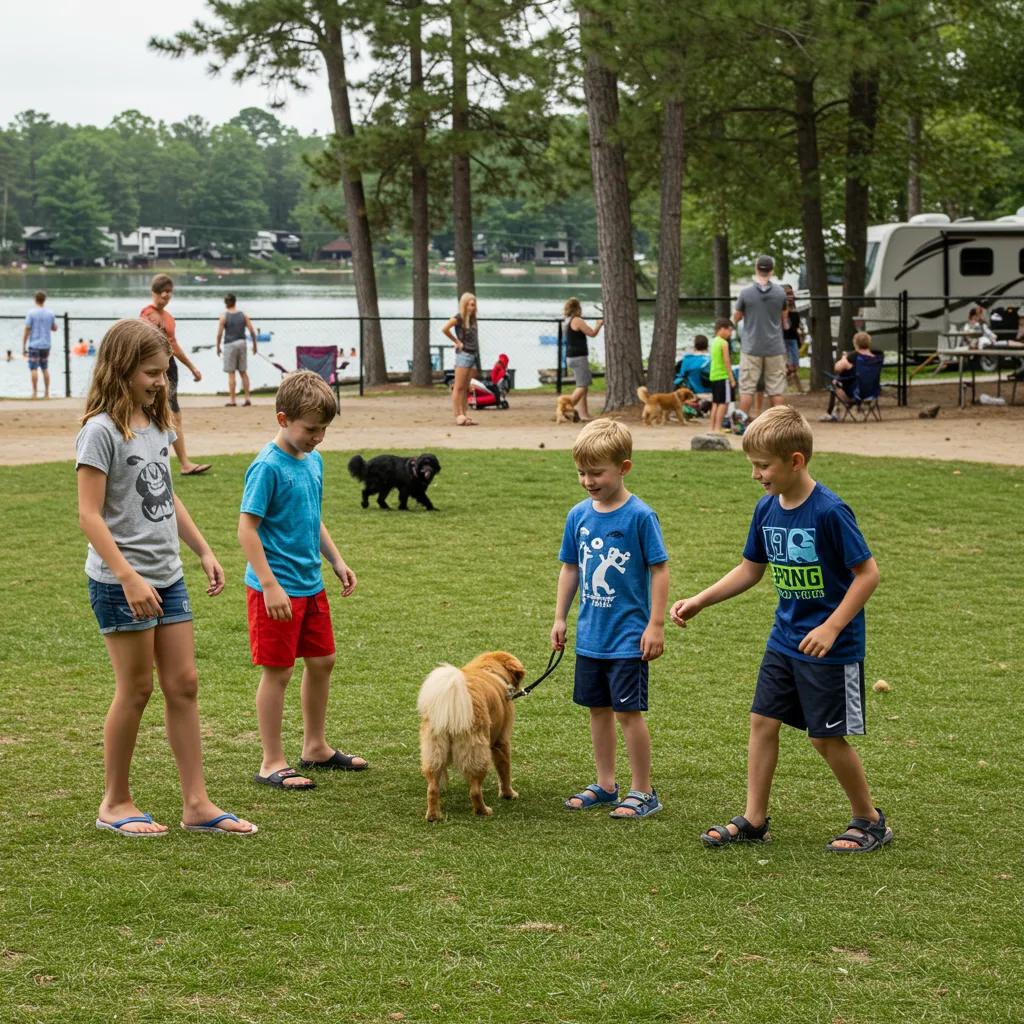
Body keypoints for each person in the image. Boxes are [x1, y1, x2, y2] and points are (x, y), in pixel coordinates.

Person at [670, 406, 890, 852]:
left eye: (763, 466)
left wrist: (831, 627)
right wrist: (700, 600)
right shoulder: (767, 508)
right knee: (762, 721)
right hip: (785, 640)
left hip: (832, 648)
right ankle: (754, 819)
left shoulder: (830, 511)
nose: (756, 475)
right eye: (752, 465)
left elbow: (868, 574)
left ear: (796, 461)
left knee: (824, 737)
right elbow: (751, 569)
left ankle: (870, 820)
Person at [76, 318, 256, 836]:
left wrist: (202, 550)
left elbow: (164, 495)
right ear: (122, 368)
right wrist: (128, 577)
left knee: (184, 684)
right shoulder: (100, 431)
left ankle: (197, 804)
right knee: (136, 689)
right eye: (152, 373)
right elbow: (89, 515)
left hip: (168, 577)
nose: (161, 382)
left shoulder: (157, 425)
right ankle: (115, 802)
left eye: (164, 372)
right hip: (122, 583)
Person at [238, 370, 367, 791]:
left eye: (324, 429)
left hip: (310, 583)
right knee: (278, 672)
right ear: (283, 419)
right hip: (276, 589)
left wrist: (337, 560)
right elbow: (247, 529)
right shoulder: (267, 467)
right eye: (311, 429)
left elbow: (313, 517)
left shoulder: (313, 461)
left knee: (323, 661)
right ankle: (271, 761)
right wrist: (269, 584)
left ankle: (315, 746)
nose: (318, 438)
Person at [552, 419, 669, 819]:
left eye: (596, 472)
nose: (588, 481)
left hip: (627, 638)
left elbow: (659, 569)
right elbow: (570, 568)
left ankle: (643, 791)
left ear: (624, 468)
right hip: (591, 636)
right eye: (581, 472)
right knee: (597, 709)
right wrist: (560, 618)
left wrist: (655, 624)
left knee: (627, 713)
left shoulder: (641, 516)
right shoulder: (578, 516)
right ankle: (605, 784)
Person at [141, 275, 211, 476]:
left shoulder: (169, 318)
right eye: (163, 290)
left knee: (174, 416)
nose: (166, 295)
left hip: (169, 367)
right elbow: (144, 341)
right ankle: (159, 461)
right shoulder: (146, 314)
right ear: (155, 292)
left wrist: (192, 367)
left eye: (169, 291)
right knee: (159, 414)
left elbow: (174, 346)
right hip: (156, 366)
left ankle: (183, 463)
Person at [733, 255, 789, 418]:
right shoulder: (780, 293)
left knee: (747, 389)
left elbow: (737, 316)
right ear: (771, 271)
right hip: (775, 347)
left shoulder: (746, 293)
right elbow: (784, 318)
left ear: (756, 268)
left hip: (751, 347)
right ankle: (779, 424)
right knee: (776, 389)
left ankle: (741, 422)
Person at [442, 292, 482, 426]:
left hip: (473, 355)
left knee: (466, 388)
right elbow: (445, 329)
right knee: (458, 387)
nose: (472, 307)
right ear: (464, 305)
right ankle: (457, 415)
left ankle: (464, 414)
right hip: (463, 355)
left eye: (474, 305)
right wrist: (457, 341)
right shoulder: (459, 318)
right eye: (470, 305)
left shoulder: (472, 319)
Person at [562, 297, 603, 421]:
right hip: (579, 357)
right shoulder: (577, 320)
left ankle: (584, 414)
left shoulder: (567, 321)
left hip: (571, 356)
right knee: (583, 385)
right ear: (577, 308)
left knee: (582, 385)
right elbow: (592, 333)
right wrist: (599, 325)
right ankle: (565, 409)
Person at [820, 330, 872, 422]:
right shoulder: (875, 357)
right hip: (870, 393)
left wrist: (844, 357)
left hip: (853, 394)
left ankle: (830, 413)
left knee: (835, 382)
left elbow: (837, 368)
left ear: (855, 343)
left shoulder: (852, 357)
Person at [216, 293, 258, 406]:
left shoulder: (224, 316)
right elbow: (252, 331)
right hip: (242, 343)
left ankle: (233, 400)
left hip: (229, 345)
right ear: (235, 302)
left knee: (231, 373)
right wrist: (255, 345)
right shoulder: (243, 315)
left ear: (226, 303)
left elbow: (219, 334)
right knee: (243, 372)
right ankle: (247, 398)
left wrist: (218, 346)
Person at [22, 291, 57, 399]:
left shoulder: (31, 313)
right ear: (44, 300)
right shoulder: (50, 313)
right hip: (46, 344)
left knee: (34, 369)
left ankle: (35, 393)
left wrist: (23, 345)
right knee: (45, 368)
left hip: (34, 344)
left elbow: (27, 329)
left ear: (35, 299)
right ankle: (47, 393)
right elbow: (54, 328)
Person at [709, 319, 737, 434]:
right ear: (722, 329)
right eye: (729, 330)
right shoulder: (724, 343)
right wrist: (732, 378)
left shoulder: (714, 341)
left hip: (714, 376)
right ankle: (717, 428)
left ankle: (712, 427)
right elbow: (727, 361)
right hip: (723, 376)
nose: (730, 334)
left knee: (715, 403)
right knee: (723, 403)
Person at [782, 285, 804, 392]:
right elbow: (785, 326)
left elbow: (796, 326)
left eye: (791, 293)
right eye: (787, 294)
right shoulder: (781, 309)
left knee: (795, 366)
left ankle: (799, 389)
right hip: (783, 340)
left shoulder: (795, 309)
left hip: (793, 340)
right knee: (787, 366)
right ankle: (782, 387)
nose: (790, 296)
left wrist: (800, 336)